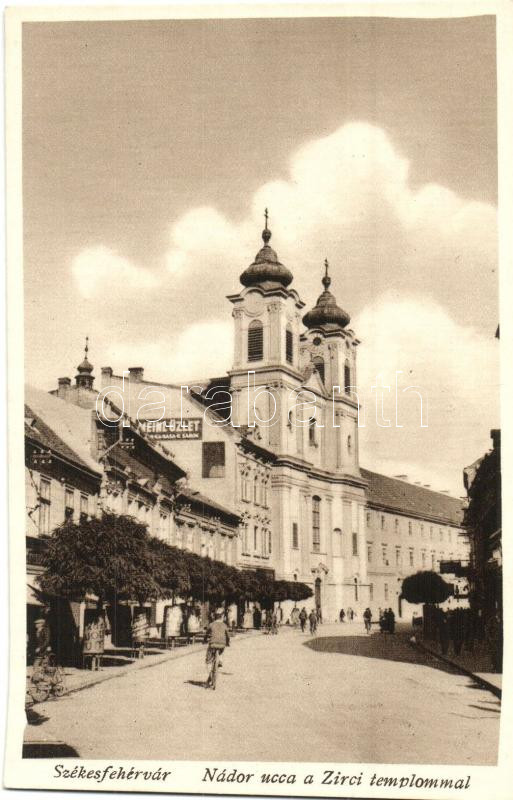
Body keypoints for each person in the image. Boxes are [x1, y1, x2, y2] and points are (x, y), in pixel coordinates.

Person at [206, 608, 230, 675]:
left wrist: (204, 640)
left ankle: (209, 671)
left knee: (209, 656)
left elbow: (206, 633)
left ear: (215, 617)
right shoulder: (224, 625)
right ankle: (220, 660)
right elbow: (228, 636)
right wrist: (228, 642)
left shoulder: (211, 624)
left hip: (213, 644)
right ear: (221, 617)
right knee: (221, 651)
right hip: (222, 644)